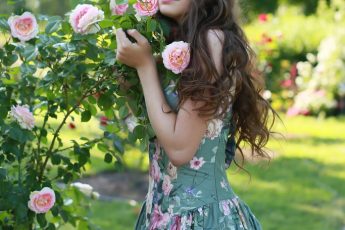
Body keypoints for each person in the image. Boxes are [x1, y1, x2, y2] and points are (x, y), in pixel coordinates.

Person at [115, 0, 277, 229]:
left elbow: (180, 149)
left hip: (200, 219)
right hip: (159, 217)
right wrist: (127, 79)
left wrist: (144, 66)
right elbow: (154, 128)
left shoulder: (212, 40)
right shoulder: (171, 42)